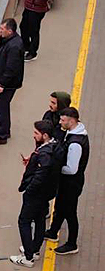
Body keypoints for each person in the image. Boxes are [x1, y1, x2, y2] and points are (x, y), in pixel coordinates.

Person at [10, 120, 60, 268]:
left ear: (45, 135)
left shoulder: (44, 154)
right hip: (46, 193)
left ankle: (28, 257)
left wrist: (29, 190)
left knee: (23, 221)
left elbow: (40, 175)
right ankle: (35, 250)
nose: (33, 136)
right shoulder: (54, 147)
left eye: (36, 133)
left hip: (36, 194)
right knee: (39, 220)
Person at [44, 107, 90, 255]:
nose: (60, 122)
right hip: (68, 183)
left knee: (69, 212)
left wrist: (55, 168)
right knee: (60, 207)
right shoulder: (74, 134)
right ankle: (53, 232)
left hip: (71, 184)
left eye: (63, 120)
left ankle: (72, 243)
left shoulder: (75, 144)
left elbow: (71, 169)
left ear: (72, 120)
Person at [0, 18, 24, 145]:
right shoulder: (9, 41)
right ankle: (2, 130)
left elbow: (11, 68)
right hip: (6, 83)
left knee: (1, 109)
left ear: (9, 31)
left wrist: (2, 84)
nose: (0, 31)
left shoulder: (13, 46)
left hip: (7, 85)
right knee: (2, 107)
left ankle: (2, 135)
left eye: (2, 29)